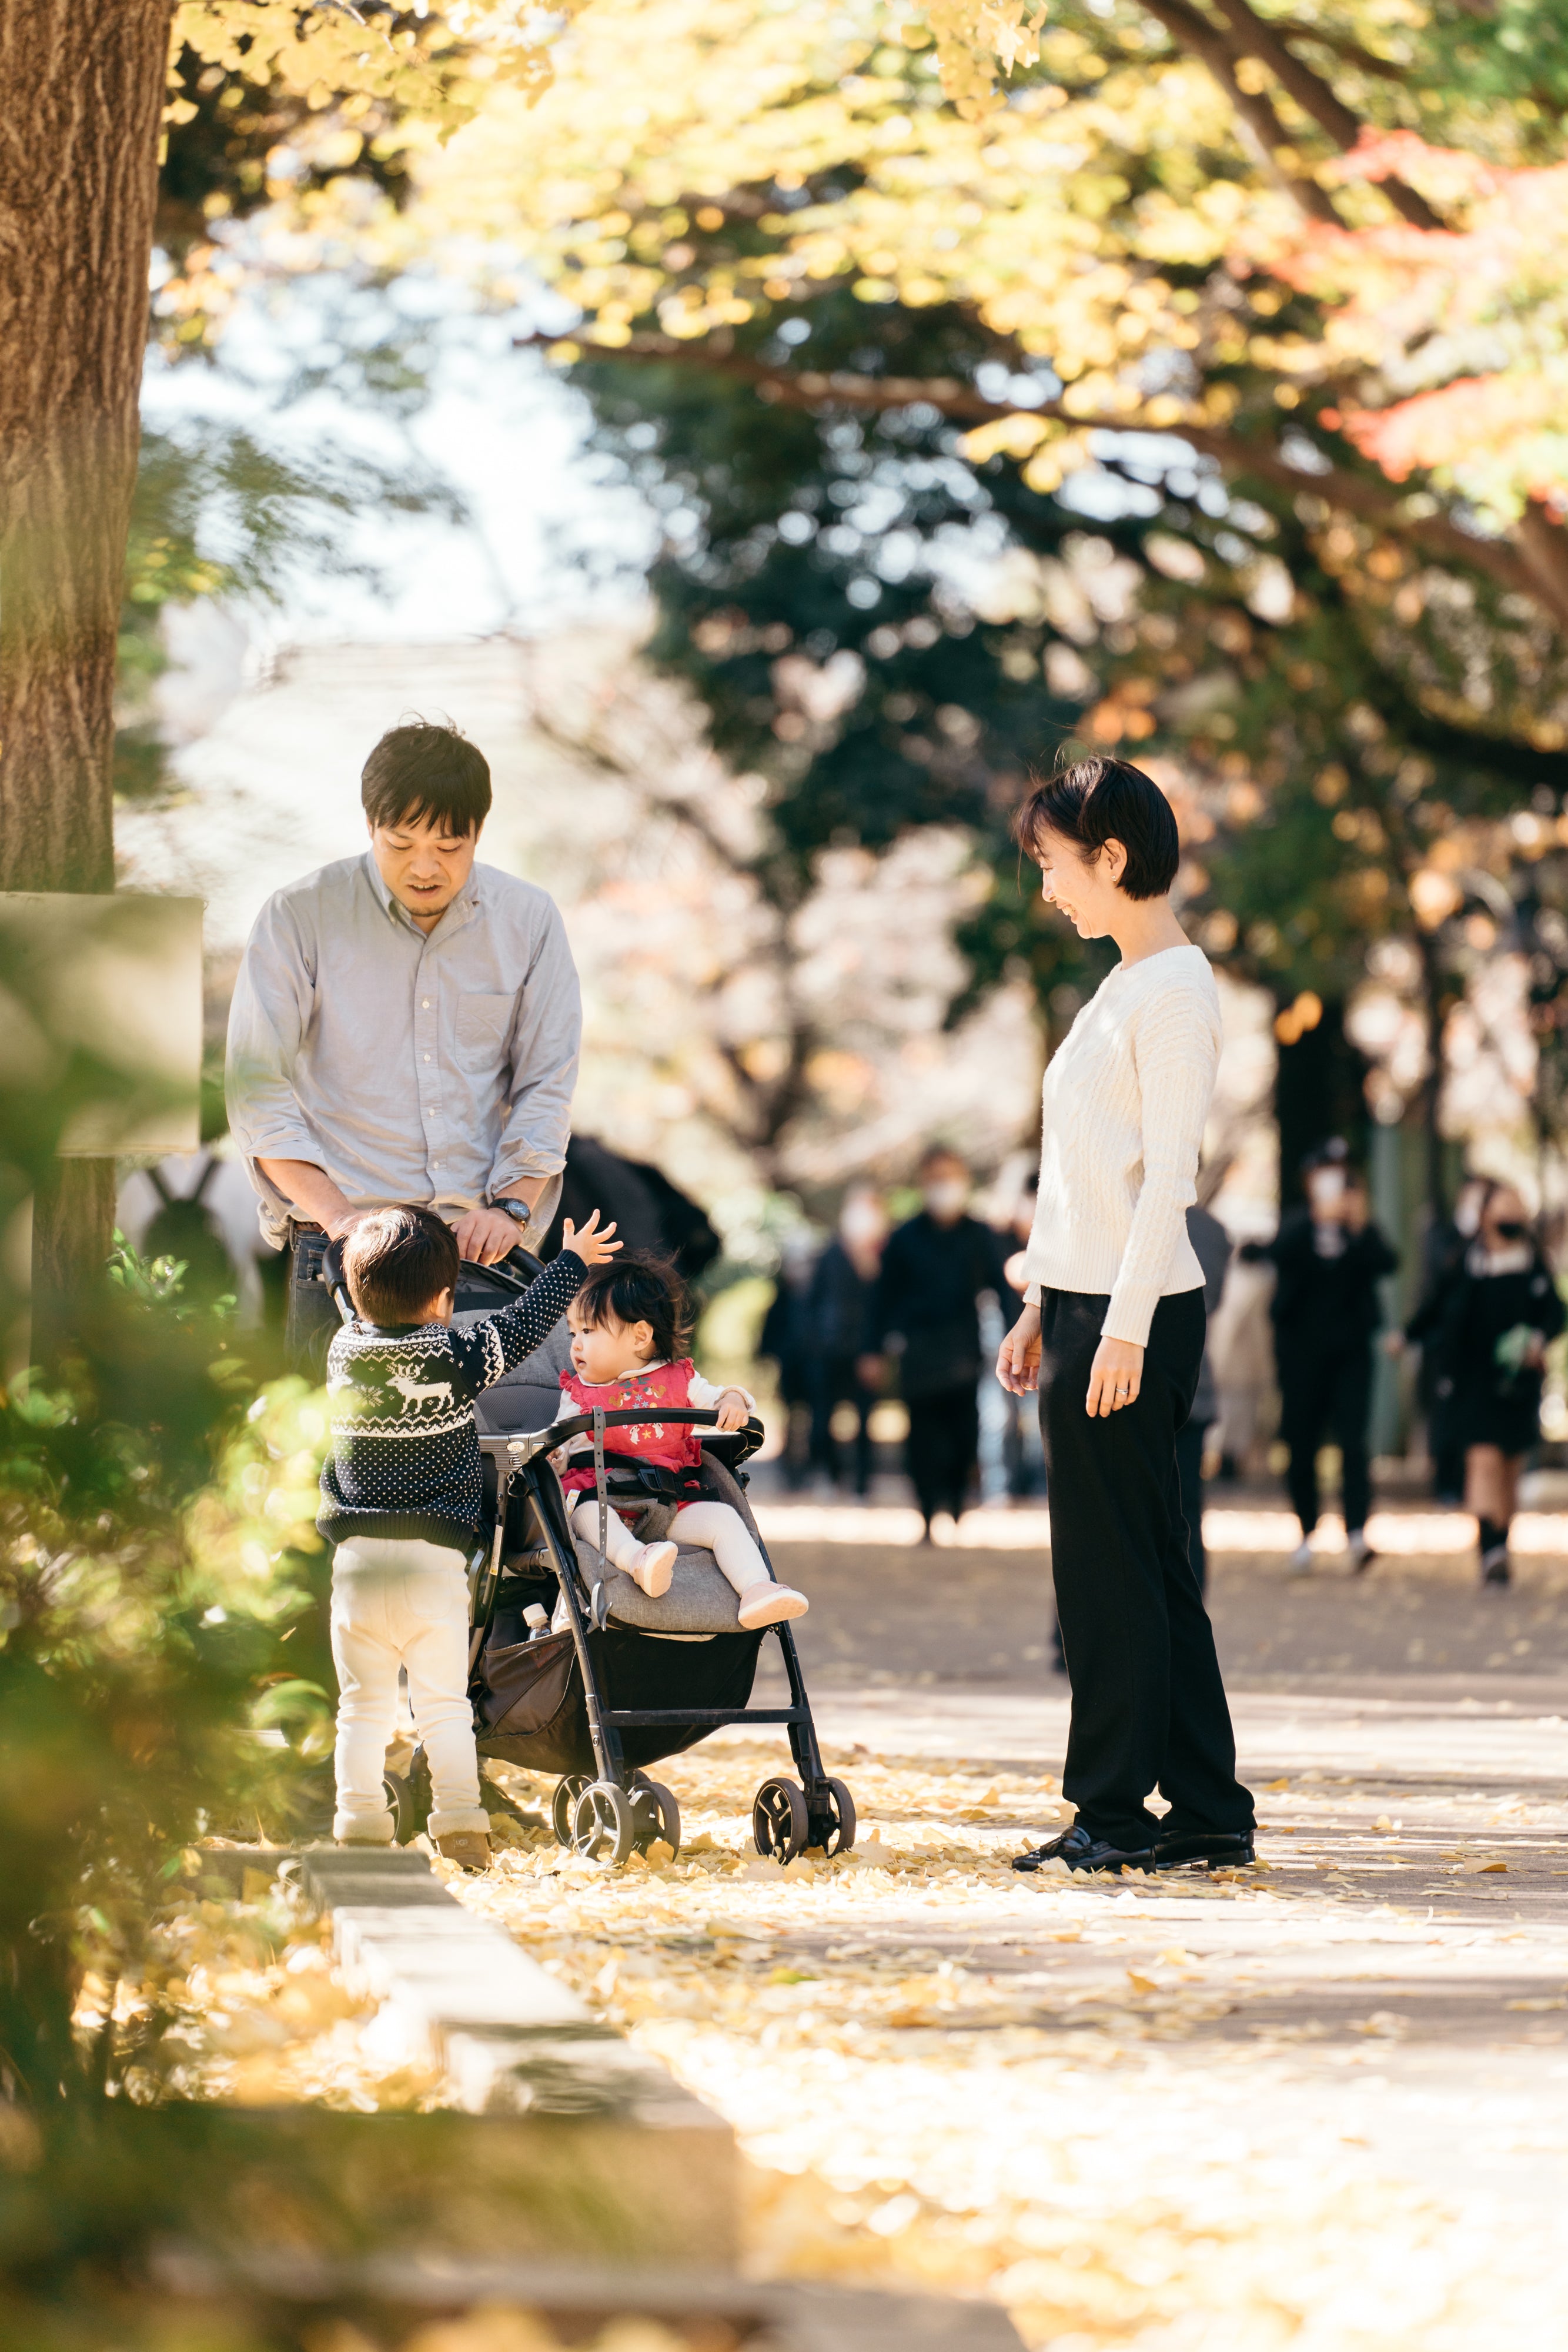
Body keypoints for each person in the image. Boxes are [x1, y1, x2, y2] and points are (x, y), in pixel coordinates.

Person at [997, 755, 1255, 1876]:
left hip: (1130, 1313)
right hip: (1086, 1303)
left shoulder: (1175, 994)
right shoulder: (1121, 986)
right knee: (1146, 1564)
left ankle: (1110, 1811)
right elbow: (1083, 1173)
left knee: (1106, 1575)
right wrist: (1040, 1302)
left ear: (1111, 857)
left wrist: (1121, 1328)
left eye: (1055, 864)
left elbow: (1167, 1185)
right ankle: (1206, 1807)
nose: (1048, 887)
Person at [226, 718, 582, 1376]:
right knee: (333, 1445)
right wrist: (343, 1224)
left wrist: (512, 1207)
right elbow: (257, 1092)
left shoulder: (528, 921)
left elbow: (547, 1082)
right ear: (370, 825)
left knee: (500, 1442)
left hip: (479, 1250)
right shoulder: (298, 917)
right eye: (400, 843)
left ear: (478, 831)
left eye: (449, 845)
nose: (424, 867)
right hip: (340, 1252)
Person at [320, 1202, 621, 1872]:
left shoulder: (343, 1353)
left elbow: (360, 1302)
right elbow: (523, 1324)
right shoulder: (455, 1354)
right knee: (444, 1706)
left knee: (361, 1707)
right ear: (443, 1301)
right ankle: (461, 1827)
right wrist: (571, 1261)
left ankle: (359, 1826)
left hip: (357, 1564)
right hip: (432, 1565)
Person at [551, 1254, 810, 1629]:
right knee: (585, 1513)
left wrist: (733, 1401)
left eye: (588, 1331)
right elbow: (561, 1443)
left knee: (723, 1518)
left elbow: (719, 1397)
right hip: (610, 1501)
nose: (576, 1345)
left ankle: (756, 1588)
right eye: (572, 1333)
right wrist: (557, 1456)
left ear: (641, 1336)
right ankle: (638, 1561)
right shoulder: (578, 1395)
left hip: (671, 1503)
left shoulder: (678, 1379)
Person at [1398, 1181, 1564, 1585]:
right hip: (1473, 1378)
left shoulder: (1532, 1263)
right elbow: (1436, 1307)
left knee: (1508, 1466)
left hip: (1518, 1382)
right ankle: (1489, 1547)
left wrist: (1536, 1341)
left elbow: (1554, 1314)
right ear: (1486, 1215)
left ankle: (1500, 1543)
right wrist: (1407, 1336)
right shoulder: (1465, 1262)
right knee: (1483, 1459)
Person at [1246, 1141, 1397, 1576]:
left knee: (1353, 1440)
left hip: (1351, 1352)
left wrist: (1359, 1225)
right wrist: (1315, 1219)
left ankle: (1357, 1531)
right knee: (1301, 1440)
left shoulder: (1360, 1229)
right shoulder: (1297, 1223)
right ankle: (1305, 1530)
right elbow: (1272, 1253)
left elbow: (1388, 1263)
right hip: (1300, 1353)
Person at [865, 1147, 1014, 1540]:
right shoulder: (904, 1238)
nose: (943, 1187)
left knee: (965, 1434)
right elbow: (882, 1299)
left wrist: (1019, 1335)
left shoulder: (980, 1235)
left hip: (964, 1351)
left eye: (950, 1177)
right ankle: (928, 1513)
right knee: (922, 1439)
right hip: (918, 1352)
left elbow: (1002, 1291)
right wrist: (872, 1350)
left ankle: (957, 1501)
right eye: (935, 1179)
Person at [1406, 1175, 1489, 1504]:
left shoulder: (1495, 1243)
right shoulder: (1444, 1238)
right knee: (1444, 1414)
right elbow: (1436, 1291)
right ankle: (1447, 1483)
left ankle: (1472, 1484)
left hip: (1480, 1346)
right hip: (1446, 1344)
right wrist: (1412, 1333)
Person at [807, 1187, 887, 1495]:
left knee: (865, 1418)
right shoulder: (831, 1251)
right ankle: (830, 1474)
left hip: (866, 1348)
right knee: (824, 1415)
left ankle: (863, 1481)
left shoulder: (884, 1253)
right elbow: (814, 1299)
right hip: (829, 1346)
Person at [1176, 1200, 1232, 1595]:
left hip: (1121, 1385)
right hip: (1191, 1382)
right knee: (1185, 1512)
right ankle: (1189, 1612)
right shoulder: (1212, 1230)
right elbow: (1211, 1301)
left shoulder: (1109, 1214)